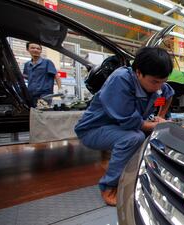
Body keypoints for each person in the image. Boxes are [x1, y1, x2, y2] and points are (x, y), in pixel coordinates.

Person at [74, 47, 174, 206]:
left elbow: (168, 94)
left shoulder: (156, 83)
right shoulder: (120, 80)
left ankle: (136, 177)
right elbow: (131, 122)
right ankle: (108, 187)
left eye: (162, 82)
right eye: (155, 82)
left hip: (121, 127)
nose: (158, 87)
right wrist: (161, 126)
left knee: (151, 136)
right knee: (134, 138)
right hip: (93, 130)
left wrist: (161, 117)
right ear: (138, 73)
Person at [23, 42, 61, 107]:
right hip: (31, 94)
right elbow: (26, 77)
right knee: (32, 112)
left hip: (45, 94)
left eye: (38, 49)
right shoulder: (27, 65)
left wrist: (60, 88)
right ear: (28, 49)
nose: (35, 50)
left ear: (40, 51)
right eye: (32, 48)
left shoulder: (47, 62)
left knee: (42, 111)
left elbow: (56, 75)